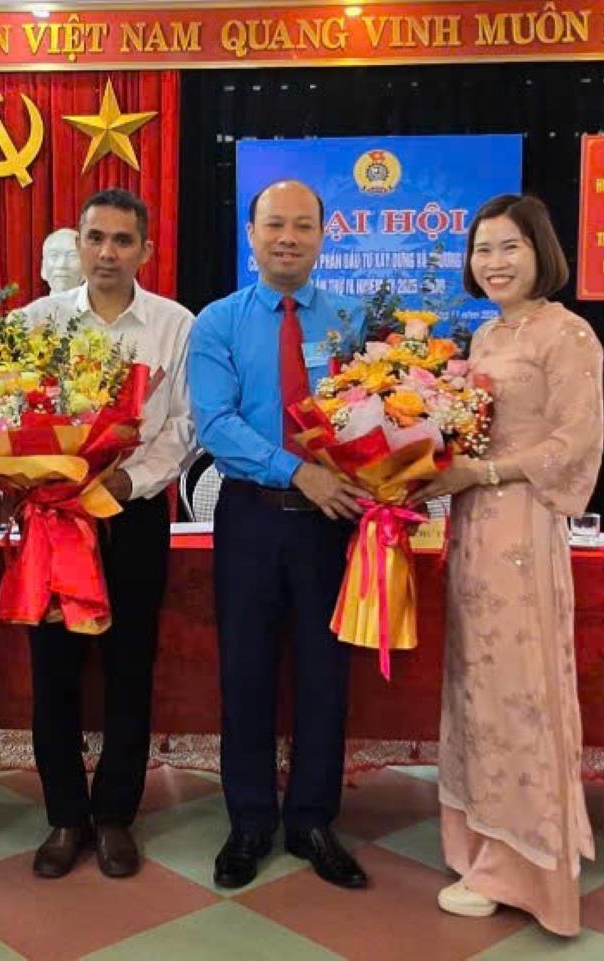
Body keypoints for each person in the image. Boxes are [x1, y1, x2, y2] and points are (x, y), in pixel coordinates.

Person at [408, 194, 603, 936]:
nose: (494, 262)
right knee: (477, 688)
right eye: (483, 248)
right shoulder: (485, 336)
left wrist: (479, 476)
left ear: (541, 252)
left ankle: (529, 865)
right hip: (472, 531)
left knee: (522, 693)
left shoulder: (568, 334)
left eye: (509, 247)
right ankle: (483, 847)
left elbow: (574, 445)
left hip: (522, 527)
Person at [188, 179, 370, 891]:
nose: (287, 237)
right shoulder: (219, 322)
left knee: (328, 674)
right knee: (247, 672)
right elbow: (217, 424)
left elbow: (376, 409)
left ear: (324, 236)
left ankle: (314, 819)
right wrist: (300, 472)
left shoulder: (353, 320)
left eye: (302, 225)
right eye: (274, 225)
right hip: (253, 517)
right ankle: (251, 820)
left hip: (336, 524)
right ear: (251, 233)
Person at [18, 188, 195, 879]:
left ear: (146, 251)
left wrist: (124, 482)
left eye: (124, 240)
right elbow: (8, 410)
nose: (108, 252)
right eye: (96, 238)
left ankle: (116, 813)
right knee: (53, 671)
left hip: (134, 513)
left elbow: (182, 426)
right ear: (78, 241)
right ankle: (65, 814)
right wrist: (50, 477)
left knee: (129, 668)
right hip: (55, 518)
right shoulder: (37, 323)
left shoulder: (175, 326)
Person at [40, 226, 84, 293]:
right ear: (43, 268)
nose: (62, 265)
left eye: (72, 256)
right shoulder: (37, 304)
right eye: (54, 255)